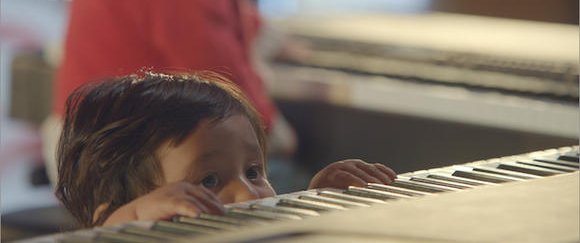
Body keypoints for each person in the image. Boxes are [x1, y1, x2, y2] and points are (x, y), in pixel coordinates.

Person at [43, 0, 304, 185]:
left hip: (88, 157)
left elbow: (169, 6)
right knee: (307, 179)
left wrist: (252, 25)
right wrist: (278, 133)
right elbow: (227, 94)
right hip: (135, 172)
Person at [55, 71, 397, 228]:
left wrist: (318, 204)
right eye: (209, 181)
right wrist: (129, 219)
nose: (248, 193)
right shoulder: (129, 224)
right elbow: (105, 230)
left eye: (253, 171)